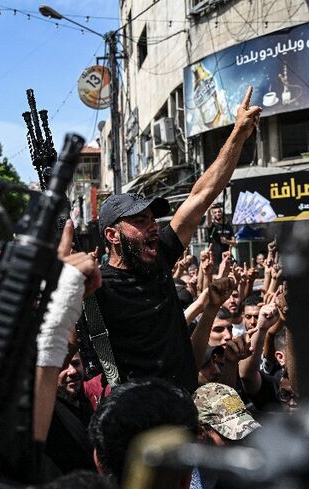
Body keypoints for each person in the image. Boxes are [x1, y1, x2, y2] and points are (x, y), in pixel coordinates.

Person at [90, 86, 260, 392]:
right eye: (140, 221)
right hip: (137, 424)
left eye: (153, 220)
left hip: (183, 410)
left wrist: (238, 133)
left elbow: (202, 195)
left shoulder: (160, 258)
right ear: (113, 235)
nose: (153, 227)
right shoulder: (96, 289)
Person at [207, 202, 235, 268]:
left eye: (219, 212)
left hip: (226, 256)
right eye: (215, 212)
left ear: (222, 213)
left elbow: (234, 242)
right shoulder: (212, 226)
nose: (218, 213)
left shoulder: (228, 226)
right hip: (214, 257)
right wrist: (208, 210)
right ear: (213, 215)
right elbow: (208, 223)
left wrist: (226, 241)